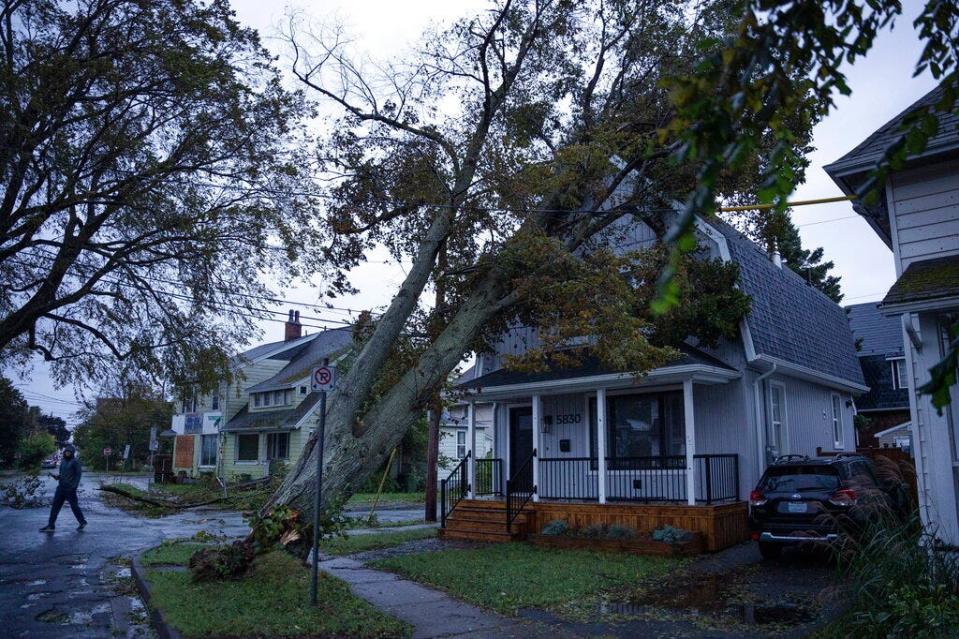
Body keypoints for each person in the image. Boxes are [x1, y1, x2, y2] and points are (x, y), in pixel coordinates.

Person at [39, 444, 87, 532]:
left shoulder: (75, 462)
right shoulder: (63, 461)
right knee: (55, 507)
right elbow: (62, 474)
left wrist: (74, 487)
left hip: (70, 489)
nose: (67, 453)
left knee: (74, 506)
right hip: (61, 488)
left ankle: (82, 522)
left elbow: (78, 475)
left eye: (69, 452)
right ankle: (51, 525)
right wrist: (57, 477)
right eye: (66, 452)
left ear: (72, 453)